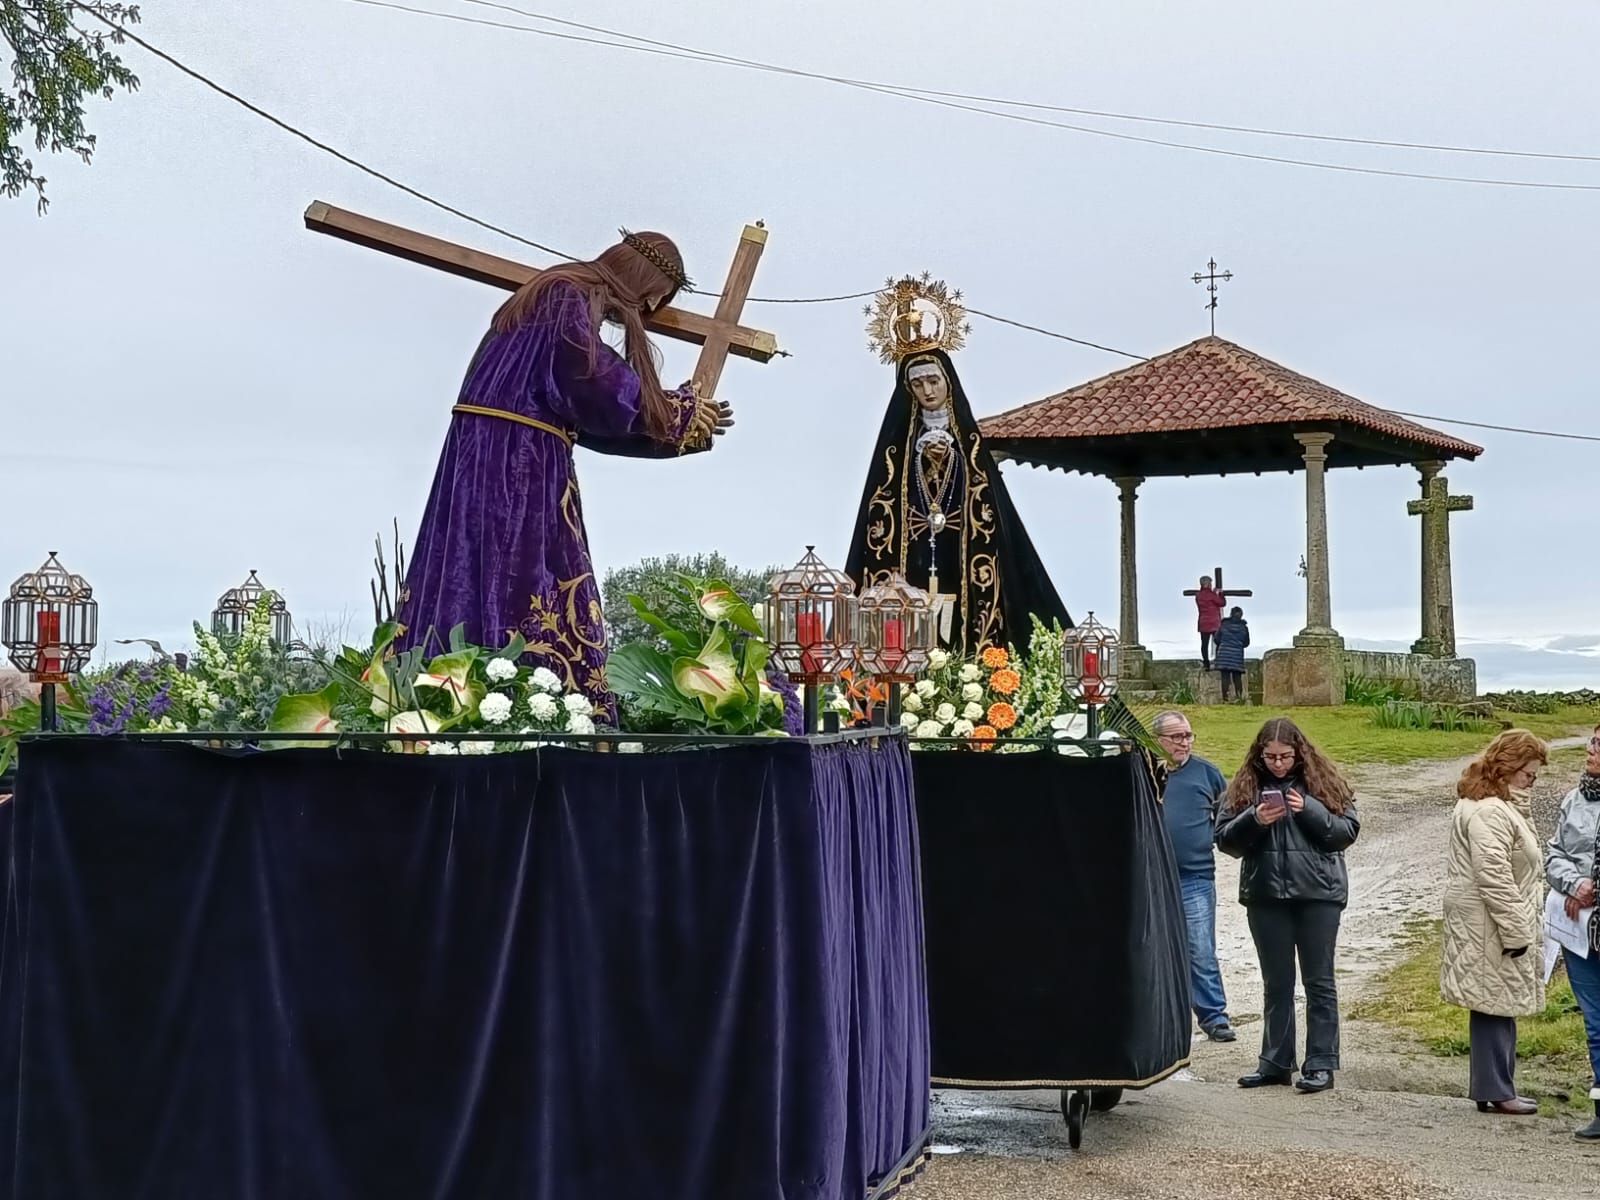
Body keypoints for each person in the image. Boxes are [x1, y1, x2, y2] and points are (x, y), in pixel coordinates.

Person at [395, 231, 731, 717]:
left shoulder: (554, 293)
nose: (651, 308)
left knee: (482, 578)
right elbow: (595, 385)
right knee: (524, 582)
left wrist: (677, 433)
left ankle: (486, 702)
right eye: (656, 298)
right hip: (514, 466)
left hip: (498, 454)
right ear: (647, 284)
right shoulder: (564, 296)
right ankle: (526, 708)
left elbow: (586, 418)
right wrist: (674, 412)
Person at [845, 348, 1070, 657]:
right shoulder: (896, 448)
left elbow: (985, 501)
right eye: (918, 384)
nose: (927, 391)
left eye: (934, 381)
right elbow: (883, 501)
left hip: (962, 554)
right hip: (910, 560)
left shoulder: (968, 445)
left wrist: (951, 457)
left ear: (948, 382)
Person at [1216, 717, 1359, 1093]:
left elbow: (1346, 834)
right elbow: (1226, 841)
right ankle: (1275, 1062)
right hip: (1266, 897)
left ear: (1300, 754)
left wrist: (1307, 808)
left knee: (1319, 982)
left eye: (1286, 757)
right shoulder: (1246, 787)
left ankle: (1321, 1064)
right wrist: (1255, 819)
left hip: (1318, 895)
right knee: (1276, 982)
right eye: (1271, 757)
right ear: (1260, 756)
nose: (1278, 764)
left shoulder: (1323, 784)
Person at [1442, 730, 1548, 1116]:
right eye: (1528, 775)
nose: (1531, 782)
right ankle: (1498, 1090)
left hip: (1485, 921)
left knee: (1493, 1004)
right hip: (1491, 923)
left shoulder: (1490, 804)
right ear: (1509, 768)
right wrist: (1518, 931)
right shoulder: (1490, 811)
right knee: (1493, 1005)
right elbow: (1495, 876)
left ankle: (1495, 1087)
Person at [1154, 710, 1236, 1042]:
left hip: (1195, 878)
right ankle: (1158, 1020)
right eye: (1176, 737)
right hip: (1149, 877)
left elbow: (1227, 821)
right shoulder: (1144, 774)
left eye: (1188, 736)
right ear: (1157, 740)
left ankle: (1214, 1016)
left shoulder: (1208, 775)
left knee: (1200, 948)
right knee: (1151, 948)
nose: (1184, 742)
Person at [1545, 723, 1600, 1141]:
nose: (1592, 749)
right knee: (1595, 1022)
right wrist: (1573, 884)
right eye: (1593, 741)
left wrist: (1593, 888)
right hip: (1580, 929)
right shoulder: (1574, 799)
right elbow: (1555, 853)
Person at [1214, 606, 1250, 702]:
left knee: (1225, 677)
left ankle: (1225, 699)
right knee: (1237, 678)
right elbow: (1246, 642)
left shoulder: (1224, 625)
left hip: (1224, 654)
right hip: (1237, 655)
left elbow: (1216, 639)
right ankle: (1239, 698)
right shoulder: (1243, 628)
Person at [1193, 576, 1226, 670]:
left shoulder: (1198, 595)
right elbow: (1222, 603)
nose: (1211, 585)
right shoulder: (1211, 595)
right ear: (1207, 584)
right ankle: (1218, 662)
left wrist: (1214, 593)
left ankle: (1206, 663)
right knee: (1218, 643)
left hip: (1203, 623)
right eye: (1210, 583)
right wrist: (1220, 594)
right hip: (1214, 623)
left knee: (1204, 644)